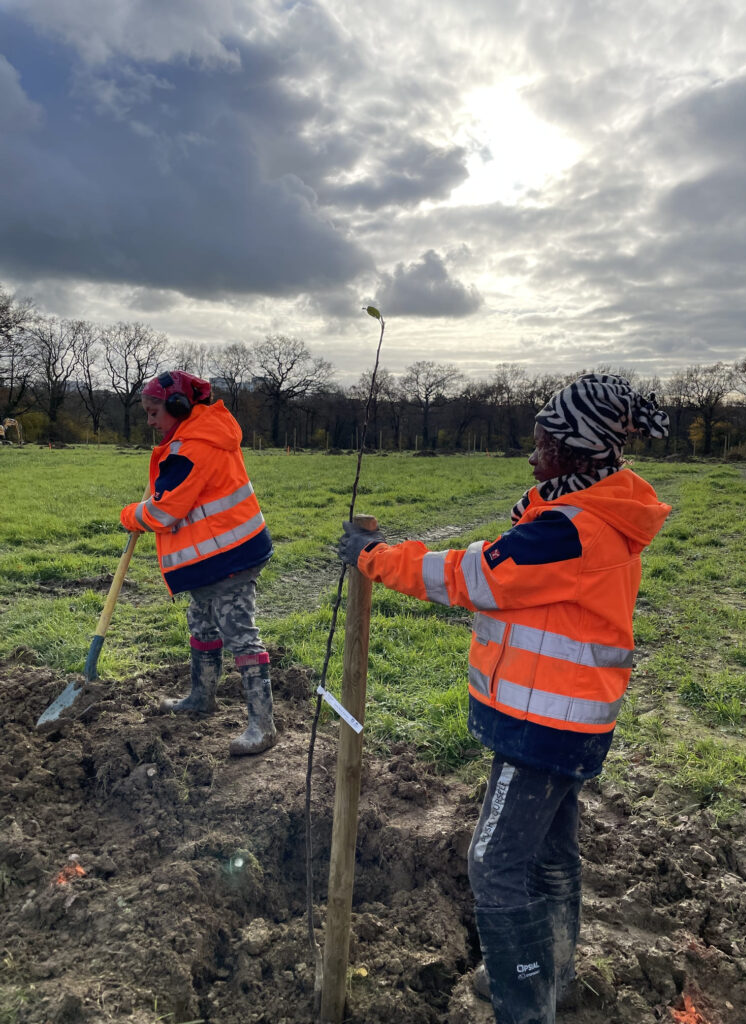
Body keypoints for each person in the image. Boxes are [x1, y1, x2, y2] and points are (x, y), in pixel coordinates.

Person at [338, 373, 671, 1024]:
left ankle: (525, 1005)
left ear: (577, 449)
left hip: (542, 723)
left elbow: (474, 576)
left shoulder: (571, 530)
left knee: (493, 865)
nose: (531, 454)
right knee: (550, 854)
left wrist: (376, 558)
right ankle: (557, 976)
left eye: (543, 441)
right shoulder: (591, 513)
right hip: (564, 718)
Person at [120, 370, 276, 757]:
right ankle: (201, 698)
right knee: (202, 622)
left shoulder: (195, 447)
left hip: (231, 557)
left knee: (238, 631)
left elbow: (165, 511)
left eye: (154, 411)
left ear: (178, 406)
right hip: (214, 558)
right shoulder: (193, 438)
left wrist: (130, 515)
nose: (150, 420)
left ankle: (263, 725)